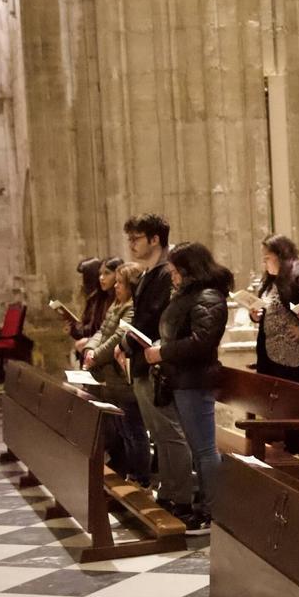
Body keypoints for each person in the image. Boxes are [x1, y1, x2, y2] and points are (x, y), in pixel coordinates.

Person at [143, 240, 232, 528]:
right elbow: (180, 331)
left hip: (194, 381)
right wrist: (162, 345)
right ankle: (206, 505)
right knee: (198, 447)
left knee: (205, 449)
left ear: (188, 268)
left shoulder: (208, 297)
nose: (172, 275)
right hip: (182, 379)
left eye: (175, 269)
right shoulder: (190, 294)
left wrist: (164, 352)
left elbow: (203, 342)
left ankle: (214, 510)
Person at [121, 211, 194, 516]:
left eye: (136, 238)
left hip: (157, 366)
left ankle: (182, 498)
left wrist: (127, 341)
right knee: (157, 433)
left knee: (169, 433)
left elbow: (156, 319)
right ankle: (168, 490)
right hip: (142, 362)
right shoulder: (149, 273)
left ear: (155, 239)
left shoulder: (166, 274)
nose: (131, 245)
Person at [83, 261, 151, 487]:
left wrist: (95, 356)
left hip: (124, 381)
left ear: (132, 286)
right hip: (111, 381)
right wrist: (90, 349)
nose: (116, 287)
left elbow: (117, 338)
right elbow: (101, 332)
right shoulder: (115, 305)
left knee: (134, 431)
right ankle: (130, 472)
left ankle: (140, 477)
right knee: (123, 431)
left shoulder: (132, 308)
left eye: (121, 283)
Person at [252, 235, 299, 386]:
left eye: (267, 258)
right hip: (270, 352)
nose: (264, 262)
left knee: (292, 403)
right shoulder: (272, 277)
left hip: (292, 354)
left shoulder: (298, 271)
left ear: (279, 255)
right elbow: (267, 305)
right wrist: (255, 315)